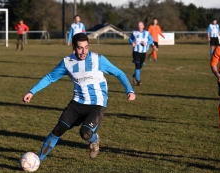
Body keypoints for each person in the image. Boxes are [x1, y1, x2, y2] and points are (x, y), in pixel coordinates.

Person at [23, 33, 136, 162]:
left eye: (86, 47)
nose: (84, 51)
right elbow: (50, 77)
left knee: (85, 133)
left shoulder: (98, 59)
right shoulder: (67, 62)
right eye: (80, 48)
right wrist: (32, 92)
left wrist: (130, 90)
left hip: (97, 104)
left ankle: (95, 140)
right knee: (58, 130)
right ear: (73, 47)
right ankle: (38, 160)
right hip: (77, 103)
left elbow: (118, 73)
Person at [129, 21, 154, 86]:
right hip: (136, 51)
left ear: (143, 26)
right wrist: (132, 43)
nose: (139, 26)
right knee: (137, 66)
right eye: (138, 25)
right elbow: (130, 39)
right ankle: (138, 80)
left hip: (143, 52)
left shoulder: (146, 33)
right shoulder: (134, 32)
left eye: (140, 25)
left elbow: (151, 40)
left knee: (140, 66)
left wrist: (146, 43)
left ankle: (135, 76)